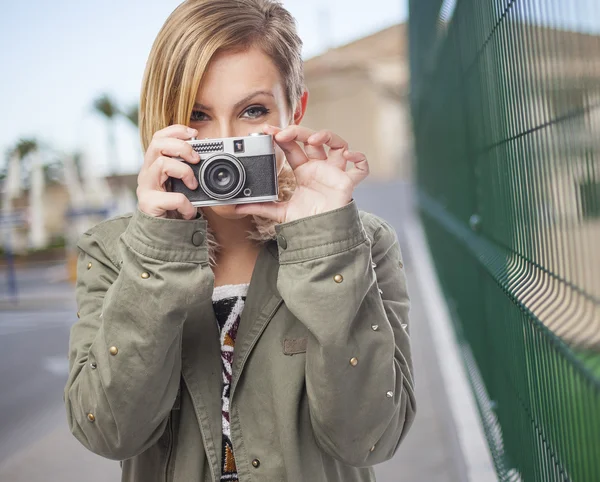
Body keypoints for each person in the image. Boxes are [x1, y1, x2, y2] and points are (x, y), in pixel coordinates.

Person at [64, 1, 416, 481]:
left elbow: (371, 437)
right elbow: (109, 434)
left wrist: (325, 245)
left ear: (295, 110)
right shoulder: (113, 250)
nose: (225, 143)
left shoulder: (362, 242)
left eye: (253, 111)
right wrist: (158, 250)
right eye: (197, 115)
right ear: (162, 121)